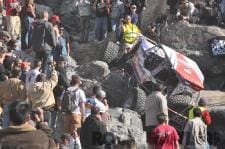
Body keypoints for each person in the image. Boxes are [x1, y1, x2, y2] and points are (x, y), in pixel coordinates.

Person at [27, 63, 58, 128]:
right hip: (46, 110)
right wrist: (53, 70)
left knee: (35, 129)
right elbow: (54, 79)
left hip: (35, 111)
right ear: (45, 80)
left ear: (36, 80)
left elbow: (29, 101)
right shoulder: (47, 85)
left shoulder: (31, 87)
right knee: (45, 129)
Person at [145, 83, 168, 149]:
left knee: (150, 144)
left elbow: (145, 109)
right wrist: (166, 124)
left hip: (148, 124)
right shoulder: (161, 97)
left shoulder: (148, 97)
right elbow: (164, 111)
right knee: (159, 144)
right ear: (162, 89)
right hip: (158, 124)